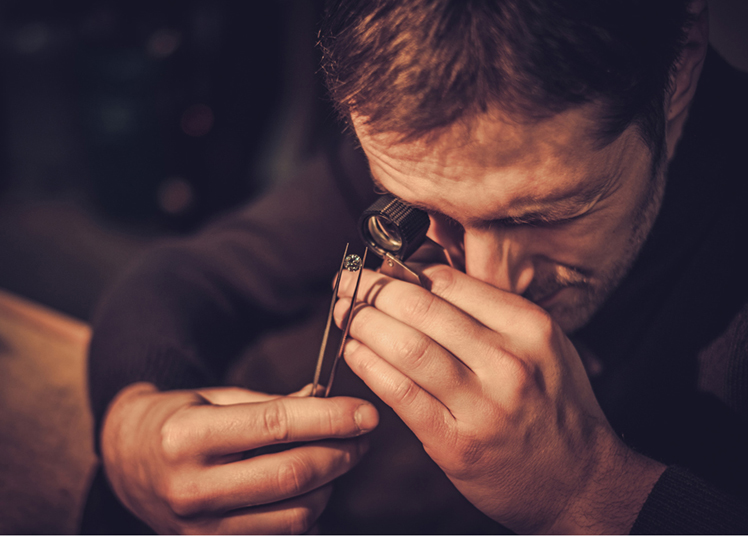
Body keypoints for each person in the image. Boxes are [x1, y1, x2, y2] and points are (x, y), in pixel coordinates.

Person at [82, 0, 748, 533]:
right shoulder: (439, 139)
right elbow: (197, 274)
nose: (487, 281)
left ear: (678, 67)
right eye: (424, 208)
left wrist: (589, 494)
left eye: (544, 215)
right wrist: (135, 431)